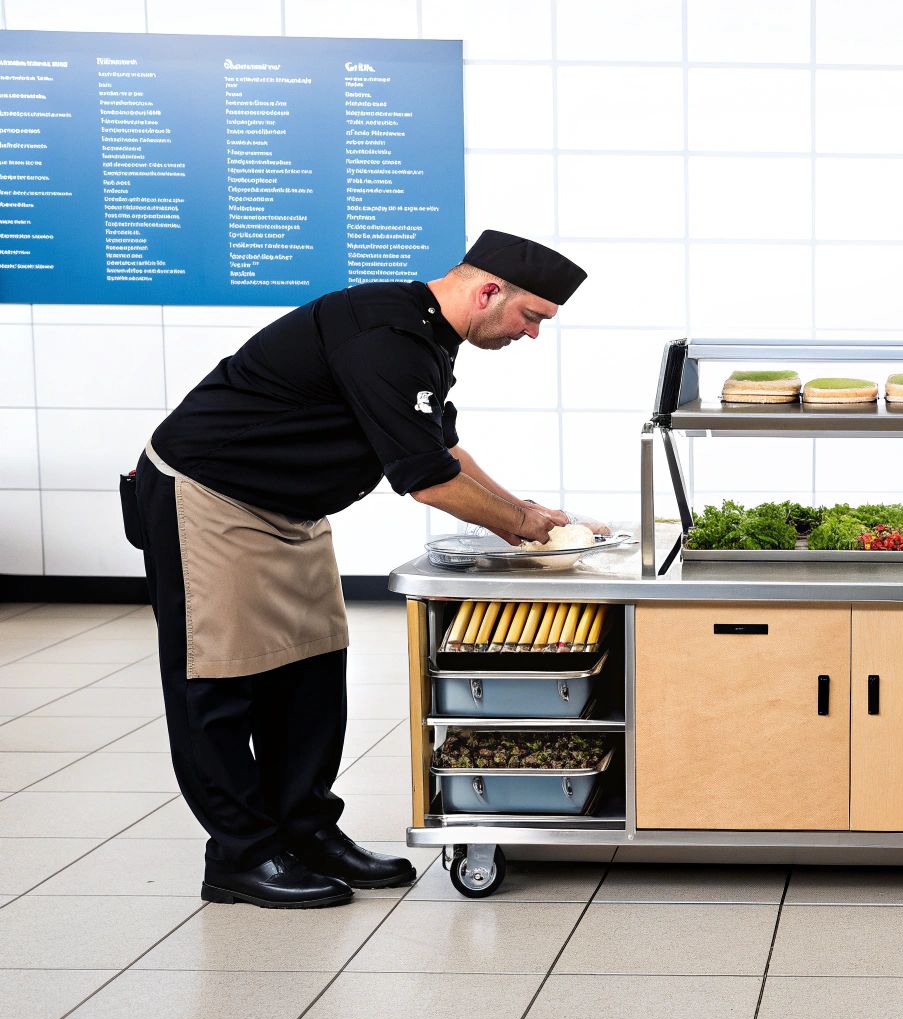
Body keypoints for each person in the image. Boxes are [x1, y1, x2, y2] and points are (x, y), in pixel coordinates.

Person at [123, 230, 587, 909]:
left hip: (291, 510)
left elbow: (443, 448)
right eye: (533, 317)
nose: (534, 334)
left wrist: (525, 511)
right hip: (212, 495)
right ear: (490, 291)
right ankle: (240, 856)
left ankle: (306, 831)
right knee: (217, 683)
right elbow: (426, 479)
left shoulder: (428, 336)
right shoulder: (382, 335)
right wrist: (520, 525)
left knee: (311, 673)